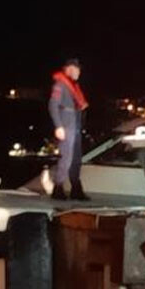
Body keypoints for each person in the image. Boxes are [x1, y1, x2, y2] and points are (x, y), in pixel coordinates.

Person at [48, 58, 89, 201]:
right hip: (66, 123)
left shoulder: (73, 86)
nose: (79, 72)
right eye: (77, 69)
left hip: (75, 123)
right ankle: (58, 187)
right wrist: (58, 126)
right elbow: (53, 105)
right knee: (66, 156)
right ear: (70, 69)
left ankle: (75, 188)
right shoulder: (60, 84)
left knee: (76, 158)